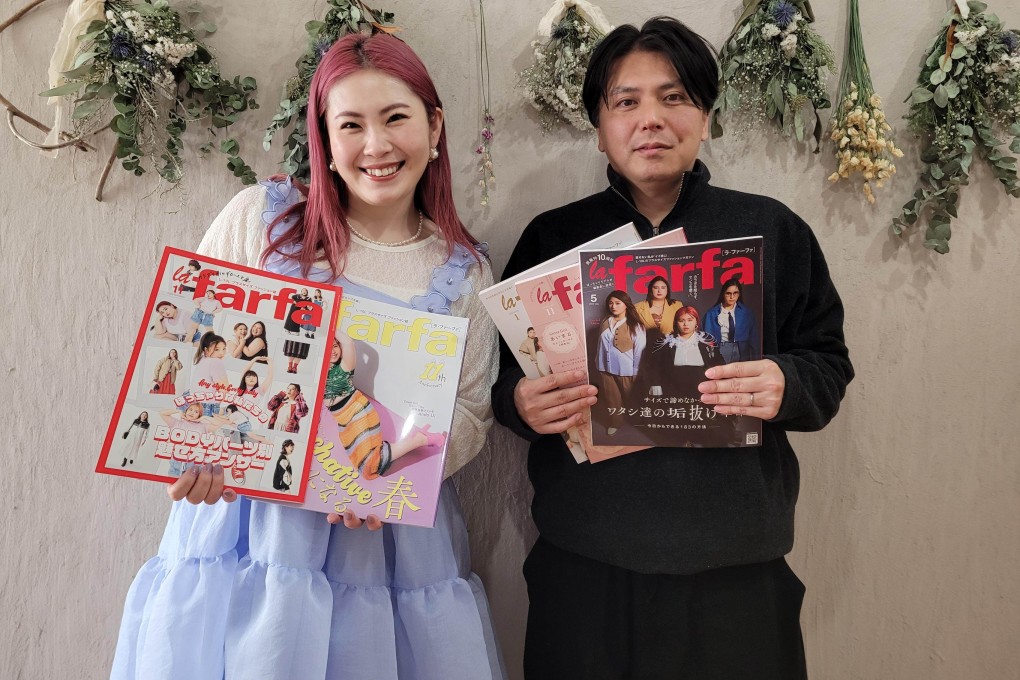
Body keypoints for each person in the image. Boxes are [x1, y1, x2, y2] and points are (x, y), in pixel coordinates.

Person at [112, 31, 504, 680]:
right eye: (350, 125)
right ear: (324, 139)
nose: (376, 146)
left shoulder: (463, 272)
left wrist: (386, 486)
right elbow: (189, 351)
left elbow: (468, 414)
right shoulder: (261, 221)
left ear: (434, 127)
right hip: (251, 536)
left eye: (396, 118)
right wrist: (198, 451)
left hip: (387, 553)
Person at [492, 17, 853, 680]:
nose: (650, 119)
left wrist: (786, 383)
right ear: (599, 126)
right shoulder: (554, 238)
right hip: (585, 567)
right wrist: (520, 401)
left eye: (675, 97)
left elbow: (828, 364)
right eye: (626, 101)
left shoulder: (771, 229)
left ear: (707, 118)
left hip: (736, 572)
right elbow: (500, 378)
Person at [324, 333, 447, 479]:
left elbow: (348, 343)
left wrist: (329, 321)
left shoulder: (345, 366)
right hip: (342, 421)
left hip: (358, 412)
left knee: (371, 464)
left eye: (335, 346)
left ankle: (420, 440)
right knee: (365, 469)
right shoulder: (320, 372)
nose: (332, 351)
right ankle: (420, 439)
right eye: (328, 347)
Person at [641, 305, 724, 398]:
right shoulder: (666, 342)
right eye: (681, 320)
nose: (686, 324)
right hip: (672, 390)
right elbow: (655, 365)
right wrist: (655, 384)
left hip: (702, 388)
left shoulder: (707, 340)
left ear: (696, 321)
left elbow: (718, 363)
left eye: (690, 320)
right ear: (676, 322)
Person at [593, 290, 646, 436]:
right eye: (610, 303)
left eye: (617, 303)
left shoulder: (636, 325)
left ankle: (640, 421)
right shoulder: (605, 321)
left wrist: (637, 371)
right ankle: (615, 423)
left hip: (627, 369)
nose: (613, 306)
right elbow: (600, 344)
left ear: (626, 305)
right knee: (611, 398)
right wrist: (598, 361)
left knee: (632, 397)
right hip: (605, 368)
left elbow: (640, 349)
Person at [703, 275, 761, 363]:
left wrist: (757, 361)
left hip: (742, 350)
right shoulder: (711, 313)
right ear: (723, 294)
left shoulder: (747, 313)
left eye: (735, 293)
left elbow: (754, 339)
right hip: (722, 348)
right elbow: (707, 339)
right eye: (728, 293)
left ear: (739, 294)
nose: (732, 297)